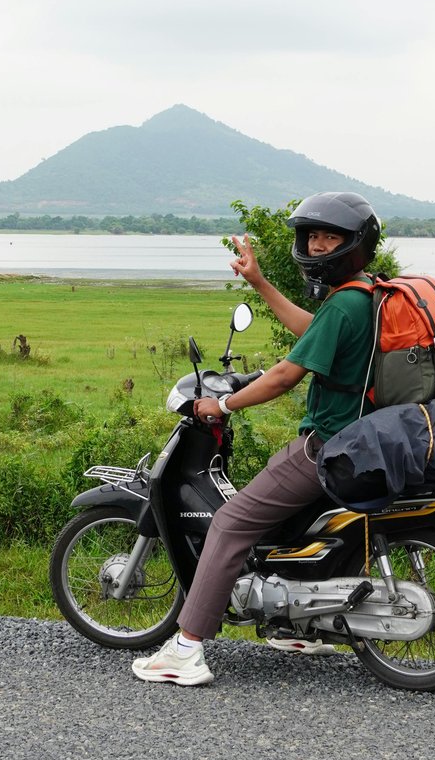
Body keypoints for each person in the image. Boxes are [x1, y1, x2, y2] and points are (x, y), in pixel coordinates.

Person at [132, 191, 382, 686]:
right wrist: (259, 281)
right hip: (364, 439)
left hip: (329, 444)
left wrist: (221, 404)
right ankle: (300, 625)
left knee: (230, 523)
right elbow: (311, 331)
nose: (315, 246)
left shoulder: (346, 303)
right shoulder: (365, 294)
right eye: (311, 236)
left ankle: (186, 650)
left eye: (328, 236)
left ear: (352, 244)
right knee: (288, 526)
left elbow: (288, 374)